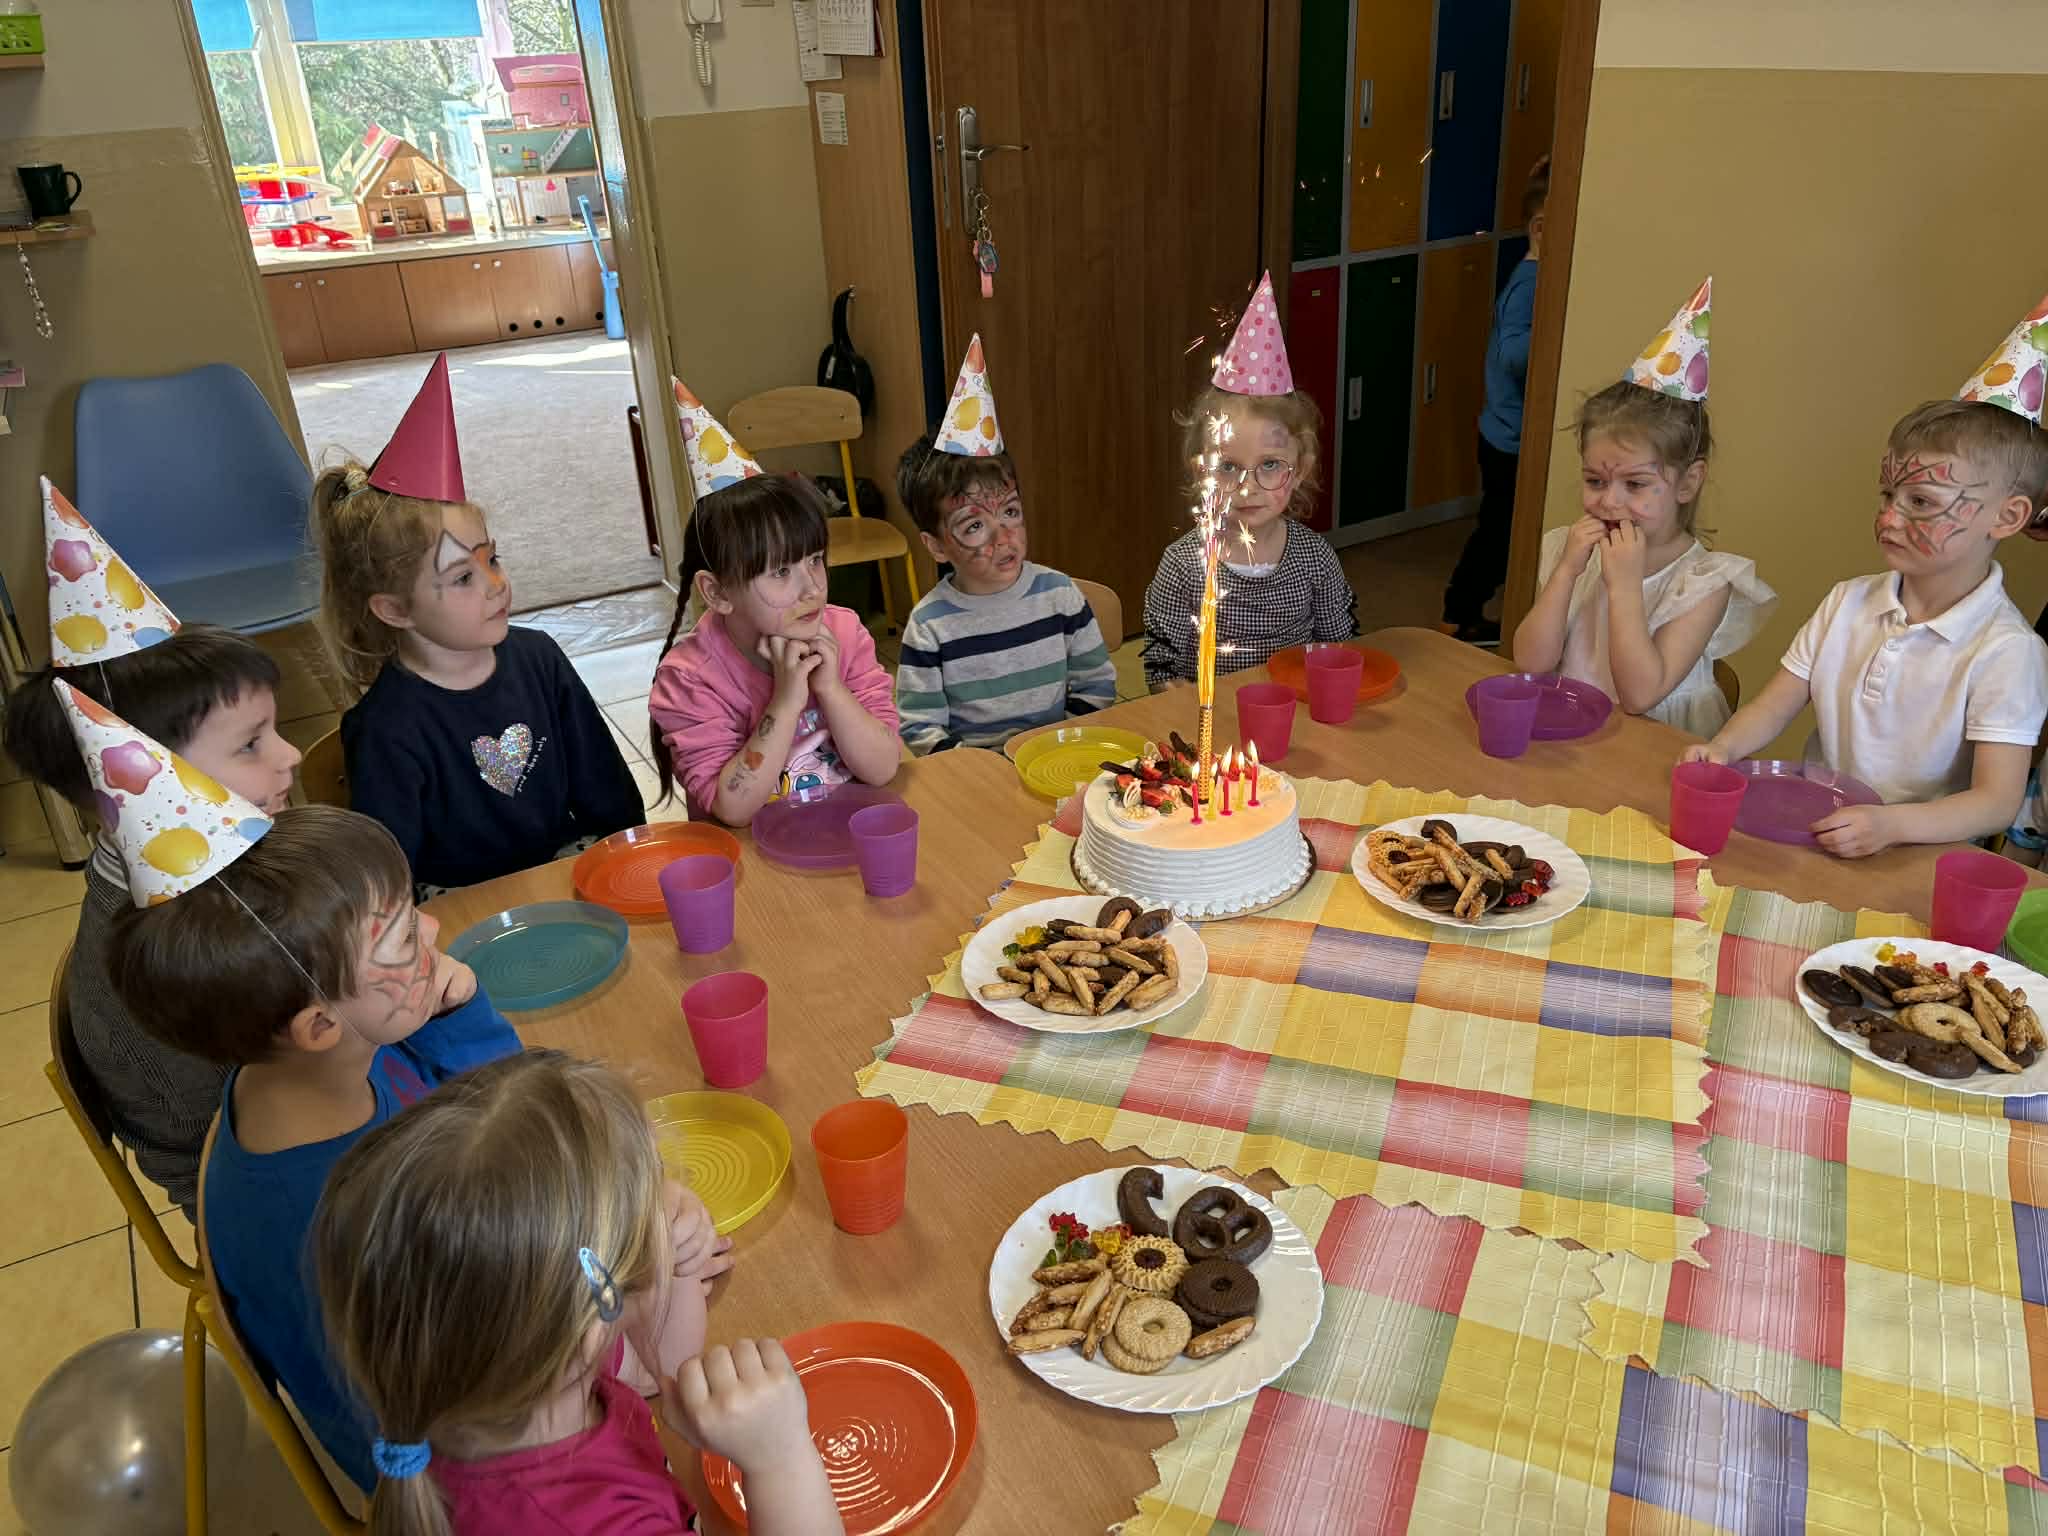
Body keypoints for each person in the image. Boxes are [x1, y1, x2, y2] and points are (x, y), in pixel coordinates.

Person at [71, 684, 524, 1494]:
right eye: (402, 935)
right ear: (316, 1024)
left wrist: (455, 1013)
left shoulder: (322, 1062)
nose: (431, 930)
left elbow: (494, 1118)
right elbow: (472, 1392)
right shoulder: (348, 1222)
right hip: (470, 1473)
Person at [312, 1050, 835, 1536]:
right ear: (593, 1311)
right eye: (650, 1188)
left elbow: (662, 1369)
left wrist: (669, 1262)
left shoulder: (492, 1376)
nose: (665, 1198)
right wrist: (780, 1459)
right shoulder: (592, 1523)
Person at [3, 478, 300, 1218]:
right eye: (252, 744)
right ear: (138, 782)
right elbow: (222, 1158)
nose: (291, 755)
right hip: (266, 1196)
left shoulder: (241, 853)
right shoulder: (150, 978)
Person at [1683, 293, 2048, 855]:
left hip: (1918, 861)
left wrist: (1891, 826)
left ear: (2007, 517)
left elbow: (1996, 801)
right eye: (1887, 495)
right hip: (1822, 833)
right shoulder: (1847, 602)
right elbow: (1776, 704)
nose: (1889, 518)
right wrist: (1724, 748)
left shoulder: (2008, 651)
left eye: (1921, 502)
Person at [312, 355, 642, 894]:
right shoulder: (386, 728)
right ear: (395, 610)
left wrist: (628, 870)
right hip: (459, 907)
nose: (495, 584)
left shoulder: (540, 658)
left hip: (562, 875)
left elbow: (610, 797)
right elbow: (393, 880)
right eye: (463, 577)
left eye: (493, 559)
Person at [1513, 279, 1776, 736]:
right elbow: (1530, 663)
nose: (1609, 500)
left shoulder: (1704, 583)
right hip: (1574, 732)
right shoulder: (1568, 550)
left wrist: (1625, 586)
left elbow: (1638, 696)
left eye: (1635, 484)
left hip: (1655, 745)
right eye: (1595, 481)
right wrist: (1566, 572)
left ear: (1688, 482)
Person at [648, 379, 899, 824]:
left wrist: (830, 689)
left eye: (815, 560)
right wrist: (785, 702)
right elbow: (733, 810)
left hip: (839, 835)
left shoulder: (843, 633)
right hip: (750, 855)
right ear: (718, 593)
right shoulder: (691, 679)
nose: (812, 588)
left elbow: (882, 769)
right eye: (781, 572)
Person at [893, 335, 1116, 752]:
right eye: (974, 526)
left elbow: (1097, 686)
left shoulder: (1060, 596)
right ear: (936, 546)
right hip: (976, 775)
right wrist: (982, 772)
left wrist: (1058, 749)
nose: (1003, 537)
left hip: (1057, 759)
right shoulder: (929, 627)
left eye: (1010, 511)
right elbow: (921, 729)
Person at [1141, 271, 1357, 690]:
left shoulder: (1316, 559)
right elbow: (1161, 668)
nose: (1247, 487)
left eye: (1270, 464)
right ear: (1201, 471)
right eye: (1227, 467)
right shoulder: (1184, 566)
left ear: (1300, 471)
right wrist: (1176, 694)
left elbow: (1340, 651)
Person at [1442, 157, 1549, 646]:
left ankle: (1462, 607)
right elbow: (1512, 355)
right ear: (1541, 229)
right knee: (1499, 535)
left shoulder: (1537, 276)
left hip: (1507, 432)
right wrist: (1551, 337)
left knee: (1501, 530)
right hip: (1507, 438)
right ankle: (1459, 611)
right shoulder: (1529, 284)